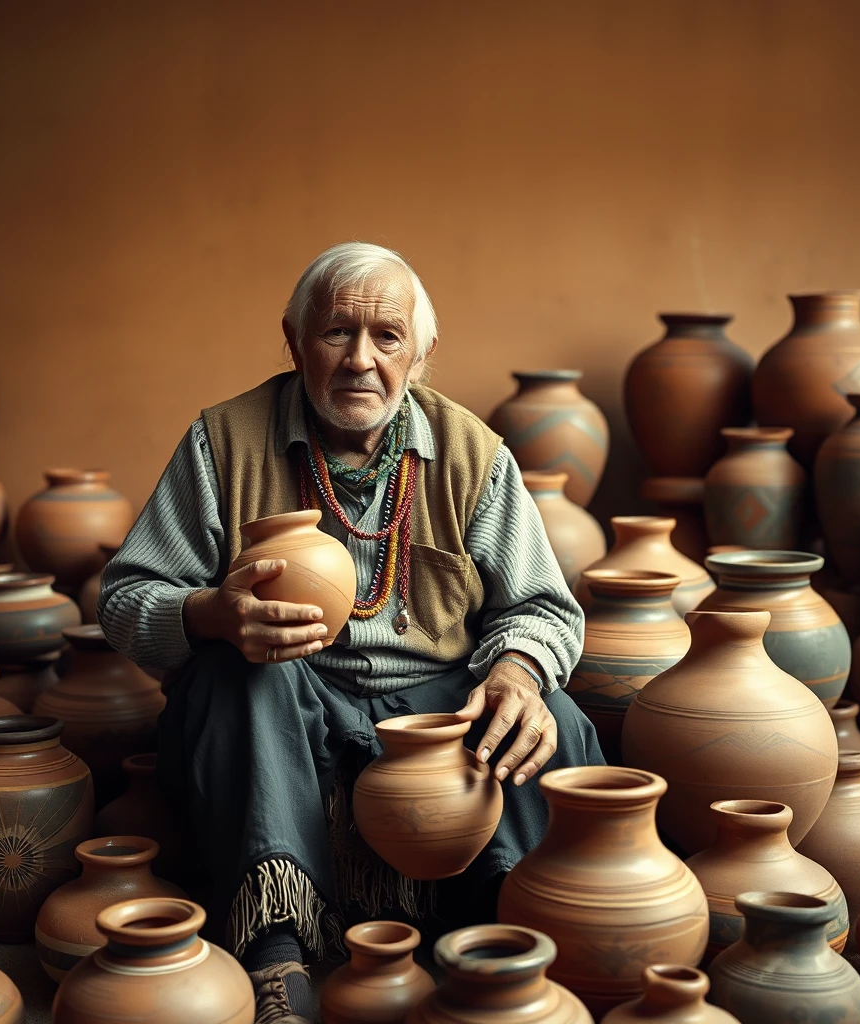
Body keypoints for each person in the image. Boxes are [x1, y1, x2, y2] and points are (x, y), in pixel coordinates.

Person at [98, 241, 602, 1024]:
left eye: (387, 337)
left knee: (549, 716)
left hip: (434, 706)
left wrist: (518, 672)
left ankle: (494, 933)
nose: (360, 360)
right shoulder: (222, 441)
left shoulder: (474, 455)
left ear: (423, 353)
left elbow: (542, 608)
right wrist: (209, 614)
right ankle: (277, 957)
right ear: (295, 340)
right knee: (235, 675)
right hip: (290, 697)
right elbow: (129, 593)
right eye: (336, 333)